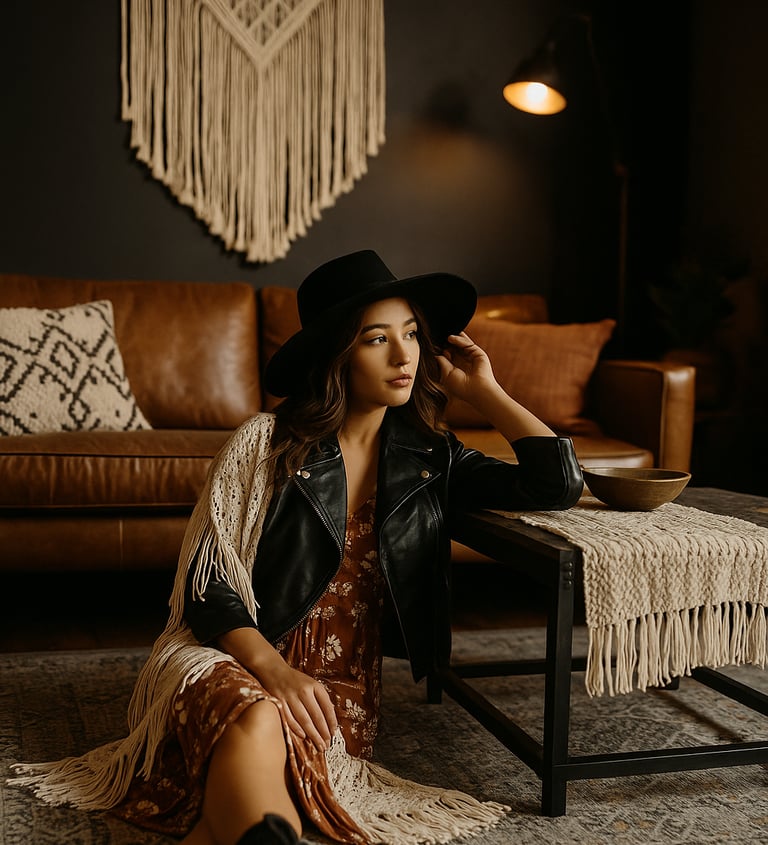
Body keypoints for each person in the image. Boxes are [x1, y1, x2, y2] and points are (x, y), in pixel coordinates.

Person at [10, 250, 583, 845]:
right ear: (336, 354)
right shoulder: (265, 445)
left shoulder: (429, 460)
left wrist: (485, 391)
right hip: (232, 653)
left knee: (259, 754)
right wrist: (274, 671)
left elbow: (555, 485)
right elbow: (208, 589)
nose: (404, 354)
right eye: (376, 339)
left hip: (338, 693)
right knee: (255, 713)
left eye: (412, 334)